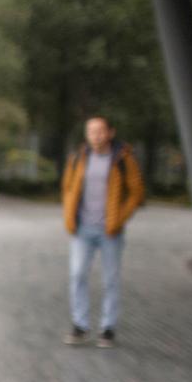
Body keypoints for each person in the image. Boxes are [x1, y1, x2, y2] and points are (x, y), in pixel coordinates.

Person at [61, 116, 144, 347]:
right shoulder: (78, 157)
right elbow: (68, 188)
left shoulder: (122, 158)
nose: (94, 135)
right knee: (77, 275)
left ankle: (108, 328)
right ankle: (80, 325)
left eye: (99, 131)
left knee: (110, 279)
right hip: (82, 229)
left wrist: (118, 219)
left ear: (110, 133)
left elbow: (136, 192)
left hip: (110, 232)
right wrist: (69, 215)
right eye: (90, 131)